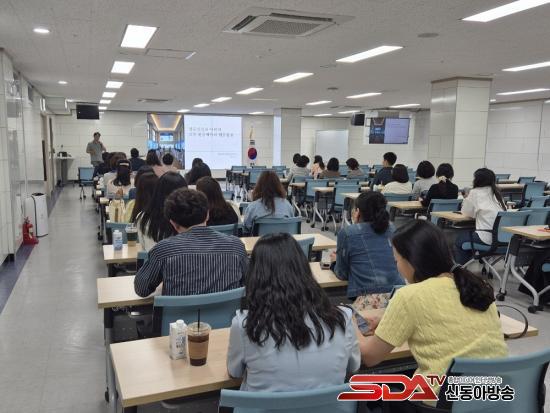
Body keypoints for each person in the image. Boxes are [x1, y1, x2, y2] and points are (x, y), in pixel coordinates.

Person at [355, 220, 507, 406]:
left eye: (397, 261)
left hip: (443, 403)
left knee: (370, 393)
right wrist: (388, 319)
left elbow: (370, 357)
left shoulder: (409, 296)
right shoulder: (475, 285)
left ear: (411, 261)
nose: (397, 267)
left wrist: (350, 323)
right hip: (494, 398)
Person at [227, 233, 360, 392]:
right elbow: (354, 366)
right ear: (304, 268)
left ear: (255, 275)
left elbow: (235, 372)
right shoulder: (343, 318)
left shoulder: (244, 326)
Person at [134, 189, 248, 297]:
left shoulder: (163, 250)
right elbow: (249, 280)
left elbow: (141, 289)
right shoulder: (235, 246)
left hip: (178, 312)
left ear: (172, 223)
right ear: (207, 215)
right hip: (229, 312)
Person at [334, 192, 404, 302]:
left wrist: (334, 262)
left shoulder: (347, 233)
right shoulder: (391, 228)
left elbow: (342, 274)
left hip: (369, 298)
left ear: (357, 212)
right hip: (399, 294)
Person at [454, 168, 506, 264]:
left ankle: (460, 269)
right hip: (502, 238)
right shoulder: (497, 193)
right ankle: (471, 264)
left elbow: (466, 212)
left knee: (459, 240)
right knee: (469, 236)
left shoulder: (475, 192)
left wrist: (466, 199)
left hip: (487, 238)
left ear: (477, 180)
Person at [137, 171, 187, 251]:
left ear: (157, 191)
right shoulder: (189, 218)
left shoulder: (143, 217)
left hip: (152, 258)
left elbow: (143, 248)